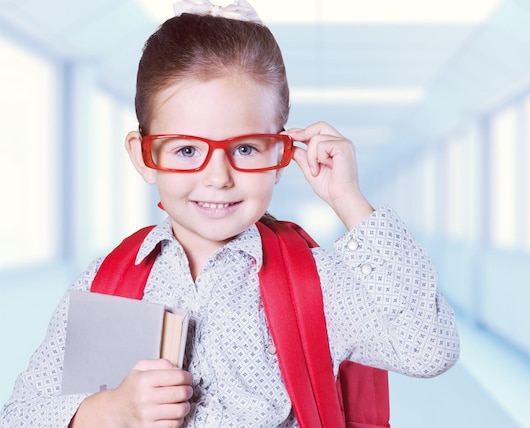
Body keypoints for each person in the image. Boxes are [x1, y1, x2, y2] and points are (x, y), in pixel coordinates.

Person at [1, 0, 460, 426]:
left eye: (244, 148)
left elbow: (429, 348)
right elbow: (20, 413)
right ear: (143, 157)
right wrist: (108, 411)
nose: (218, 177)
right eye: (184, 150)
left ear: (282, 154)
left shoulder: (314, 281)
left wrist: (349, 200)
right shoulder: (111, 280)